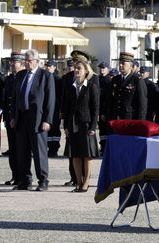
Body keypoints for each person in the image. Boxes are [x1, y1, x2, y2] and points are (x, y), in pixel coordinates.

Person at [10, 49, 55, 191]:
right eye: (25, 61)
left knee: (39, 151)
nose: (27, 63)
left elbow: (50, 100)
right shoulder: (20, 75)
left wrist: (47, 120)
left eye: (29, 61)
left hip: (37, 118)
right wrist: (13, 116)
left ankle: (43, 180)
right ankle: (25, 180)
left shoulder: (45, 76)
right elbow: (15, 98)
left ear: (37, 61)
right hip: (21, 117)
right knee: (22, 151)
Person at [62, 60, 99, 192]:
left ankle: (86, 182)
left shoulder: (91, 86)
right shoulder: (70, 87)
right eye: (75, 68)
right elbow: (66, 107)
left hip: (86, 124)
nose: (76, 71)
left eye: (79, 68)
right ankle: (78, 182)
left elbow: (95, 109)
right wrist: (65, 125)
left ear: (86, 71)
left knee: (86, 155)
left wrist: (93, 127)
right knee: (75, 155)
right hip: (73, 124)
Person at [3, 51, 25, 185]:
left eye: (14, 62)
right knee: (12, 149)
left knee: (21, 149)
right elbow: (7, 99)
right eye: (11, 62)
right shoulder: (10, 78)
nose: (12, 64)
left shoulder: (24, 77)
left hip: (21, 119)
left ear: (21, 63)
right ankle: (15, 175)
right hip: (9, 118)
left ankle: (22, 176)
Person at [106, 52, 147, 120]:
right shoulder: (115, 79)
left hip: (130, 119)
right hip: (116, 118)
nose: (121, 65)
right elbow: (111, 100)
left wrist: (140, 122)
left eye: (123, 63)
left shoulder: (137, 80)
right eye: (120, 63)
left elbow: (142, 104)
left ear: (131, 66)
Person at [45, 59, 62, 157]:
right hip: (46, 107)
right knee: (47, 128)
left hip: (56, 107)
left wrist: (60, 109)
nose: (48, 67)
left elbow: (60, 95)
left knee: (55, 128)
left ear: (54, 67)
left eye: (50, 66)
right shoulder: (44, 77)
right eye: (47, 66)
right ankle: (49, 147)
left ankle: (54, 149)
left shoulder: (58, 79)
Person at [97, 61, 111, 154]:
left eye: (104, 68)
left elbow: (108, 99)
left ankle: (106, 148)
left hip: (106, 110)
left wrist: (104, 112)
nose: (102, 69)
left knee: (107, 130)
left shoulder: (109, 80)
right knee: (102, 131)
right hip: (99, 109)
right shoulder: (97, 79)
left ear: (107, 69)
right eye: (101, 68)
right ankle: (103, 147)